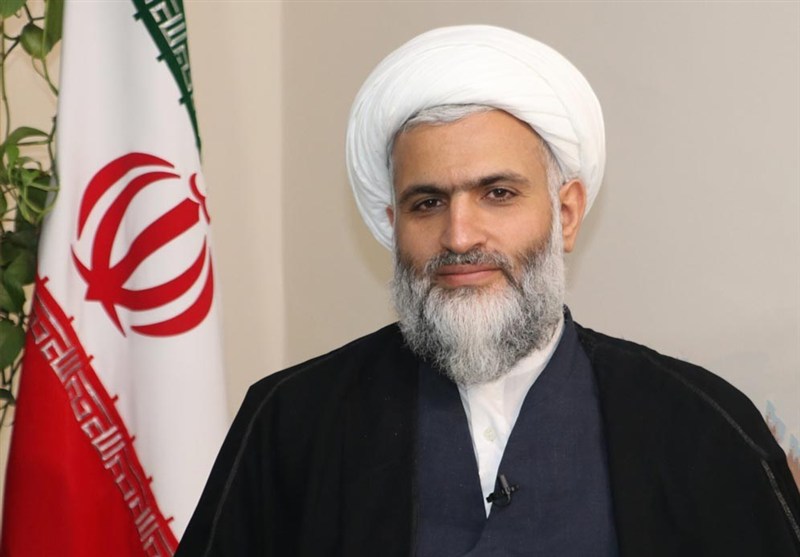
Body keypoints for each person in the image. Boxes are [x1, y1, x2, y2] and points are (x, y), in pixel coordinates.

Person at [176, 25, 800, 556]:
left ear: (566, 214)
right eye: (427, 203)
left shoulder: (699, 422)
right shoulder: (290, 420)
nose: (459, 235)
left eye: (498, 194)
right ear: (393, 225)